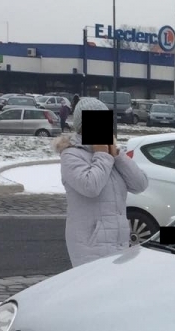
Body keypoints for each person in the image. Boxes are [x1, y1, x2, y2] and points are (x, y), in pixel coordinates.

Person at [56, 97, 149, 267]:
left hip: (119, 243)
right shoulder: (71, 155)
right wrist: (103, 155)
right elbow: (90, 187)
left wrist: (117, 155)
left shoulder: (110, 154)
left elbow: (140, 184)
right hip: (90, 247)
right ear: (82, 127)